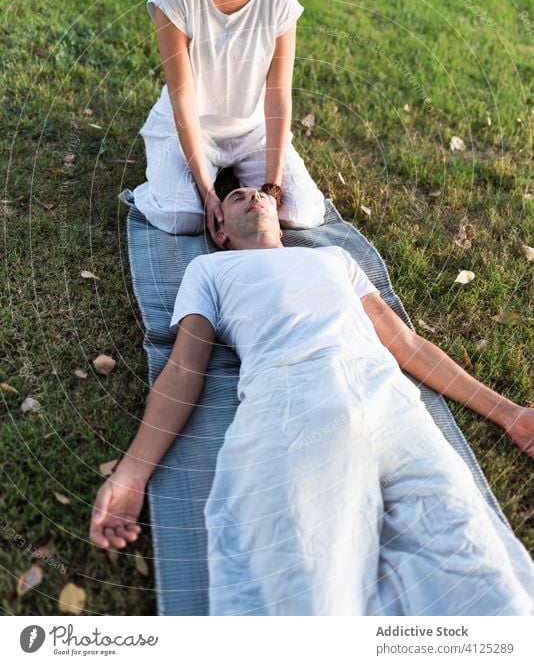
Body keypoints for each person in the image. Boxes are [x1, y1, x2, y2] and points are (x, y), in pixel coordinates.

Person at [90, 183, 534, 616]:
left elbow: (406, 345)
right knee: (309, 585)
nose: (254, 196)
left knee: (474, 562)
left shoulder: (333, 258)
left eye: (260, 193)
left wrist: (510, 414)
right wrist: (132, 475)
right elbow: (185, 368)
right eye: (236, 197)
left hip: (388, 400)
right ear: (220, 230)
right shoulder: (210, 270)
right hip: (292, 403)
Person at [132, 0, 325, 246]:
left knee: (302, 213)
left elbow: (277, 96)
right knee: (181, 216)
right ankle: (161, 186)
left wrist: (270, 186)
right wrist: (206, 191)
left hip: (252, 129)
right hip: (189, 126)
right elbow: (183, 99)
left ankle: (239, 178)